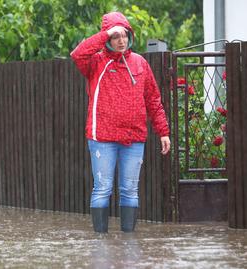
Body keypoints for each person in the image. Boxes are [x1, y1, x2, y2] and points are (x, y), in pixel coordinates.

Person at [70, 11, 170, 233]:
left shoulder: (141, 63)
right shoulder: (96, 63)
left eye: (124, 35)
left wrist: (163, 131)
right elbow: (77, 55)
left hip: (134, 139)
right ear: (107, 39)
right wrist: (104, 32)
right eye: (115, 36)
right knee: (102, 189)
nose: (121, 40)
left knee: (130, 190)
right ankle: (100, 245)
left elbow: (154, 99)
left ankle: (128, 244)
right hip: (102, 139)